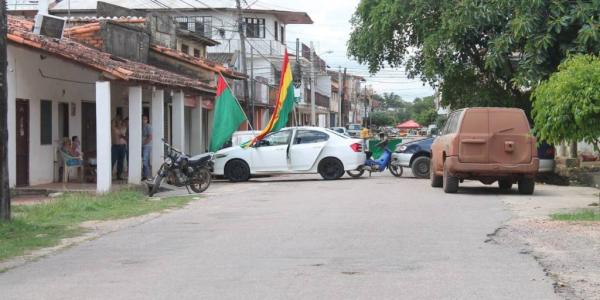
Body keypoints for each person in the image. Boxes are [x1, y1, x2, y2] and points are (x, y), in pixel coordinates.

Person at [111, 116, 127, 180]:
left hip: (122, 146)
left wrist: (121, 127)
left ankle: (119, 175)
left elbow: (122, 134)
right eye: (118, 122)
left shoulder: (124, 128)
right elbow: (112, 124)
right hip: (115, 146)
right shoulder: (114, 128)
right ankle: (109, 174)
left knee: (121, 161)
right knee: (113, 160)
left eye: (120, 122)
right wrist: (115, 119)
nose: (119, 123)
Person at [142, 115, 152, 180]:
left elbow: (150, 137)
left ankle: (147, 176)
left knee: (145, 161)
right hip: (142, 146)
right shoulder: (141, 126)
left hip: (147, 146)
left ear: (147, 120)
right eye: (143, 119)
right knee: (146, 161)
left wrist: (144, 143)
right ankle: (145, 175)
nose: (143, 120)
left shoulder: (148, 126)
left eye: (145, 119)